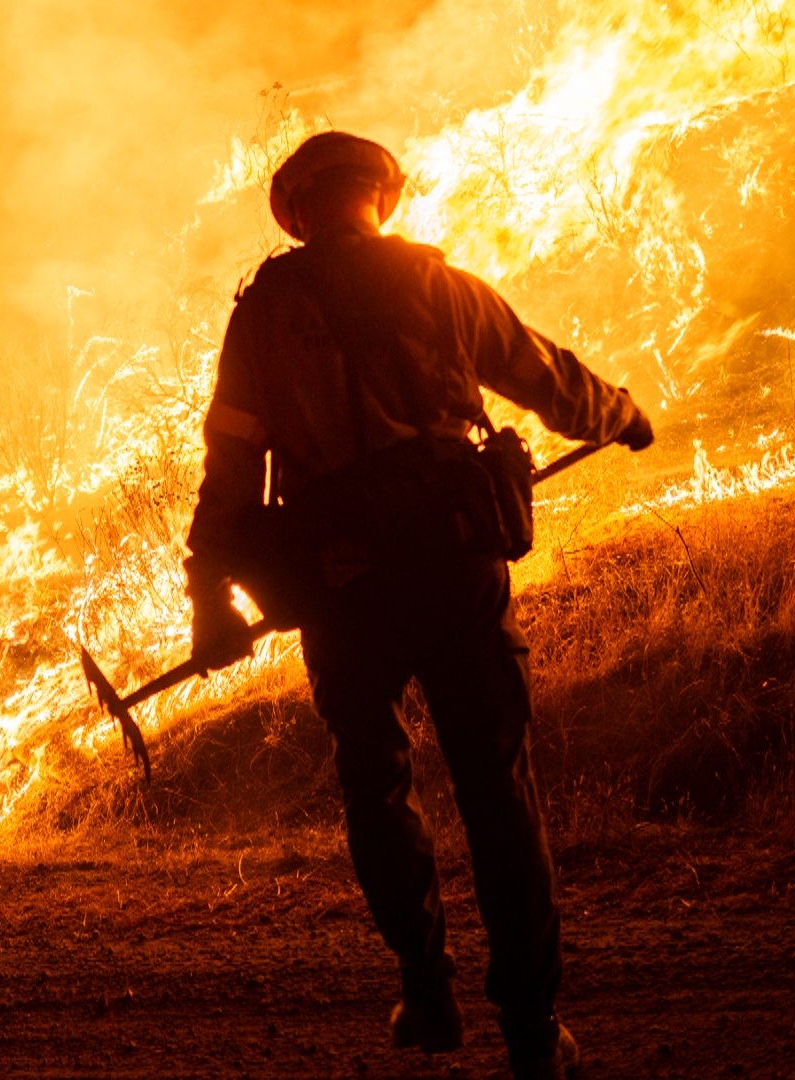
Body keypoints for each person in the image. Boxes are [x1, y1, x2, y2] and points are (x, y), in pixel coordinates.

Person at [182, 131, 653, 1080]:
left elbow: (230, 471)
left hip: (342, 589)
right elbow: (543, 375)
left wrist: (212, 600)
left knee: (375, 783)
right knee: (498, 791)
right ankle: (530, 1025)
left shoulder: (264, 315)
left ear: (299, 211)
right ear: (381, 199)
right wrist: (621, 415)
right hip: (453, 571)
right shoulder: (440, 285)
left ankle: (428, 993)